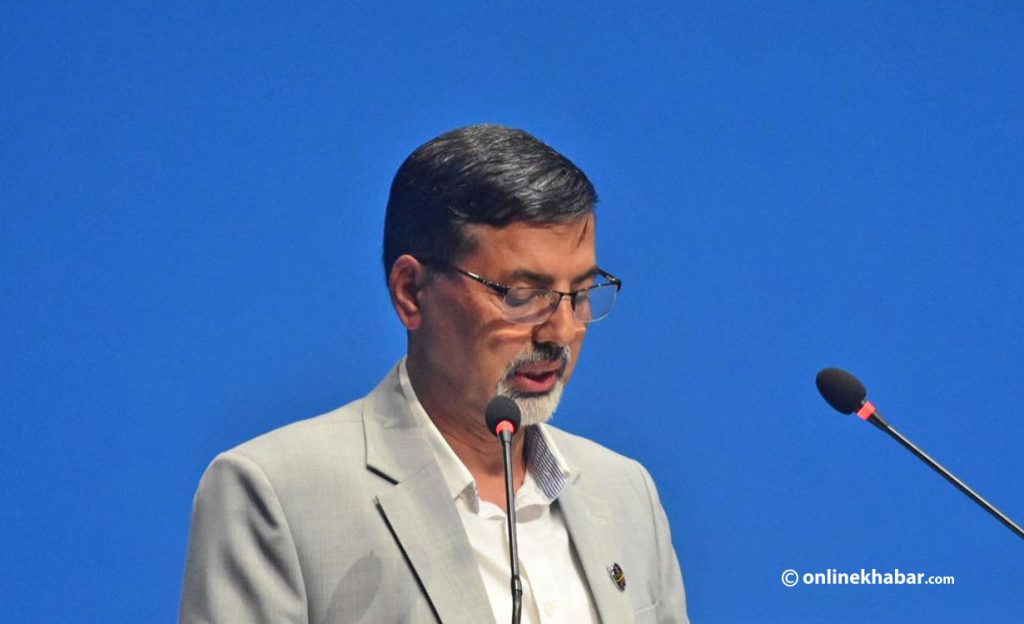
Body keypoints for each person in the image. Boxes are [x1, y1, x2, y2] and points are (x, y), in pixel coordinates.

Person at [179, 124, 689, 623]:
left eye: (579, 293)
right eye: (520, 294)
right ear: (411, 291)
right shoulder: (279, 494)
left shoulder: (625, 492)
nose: (560, 330)